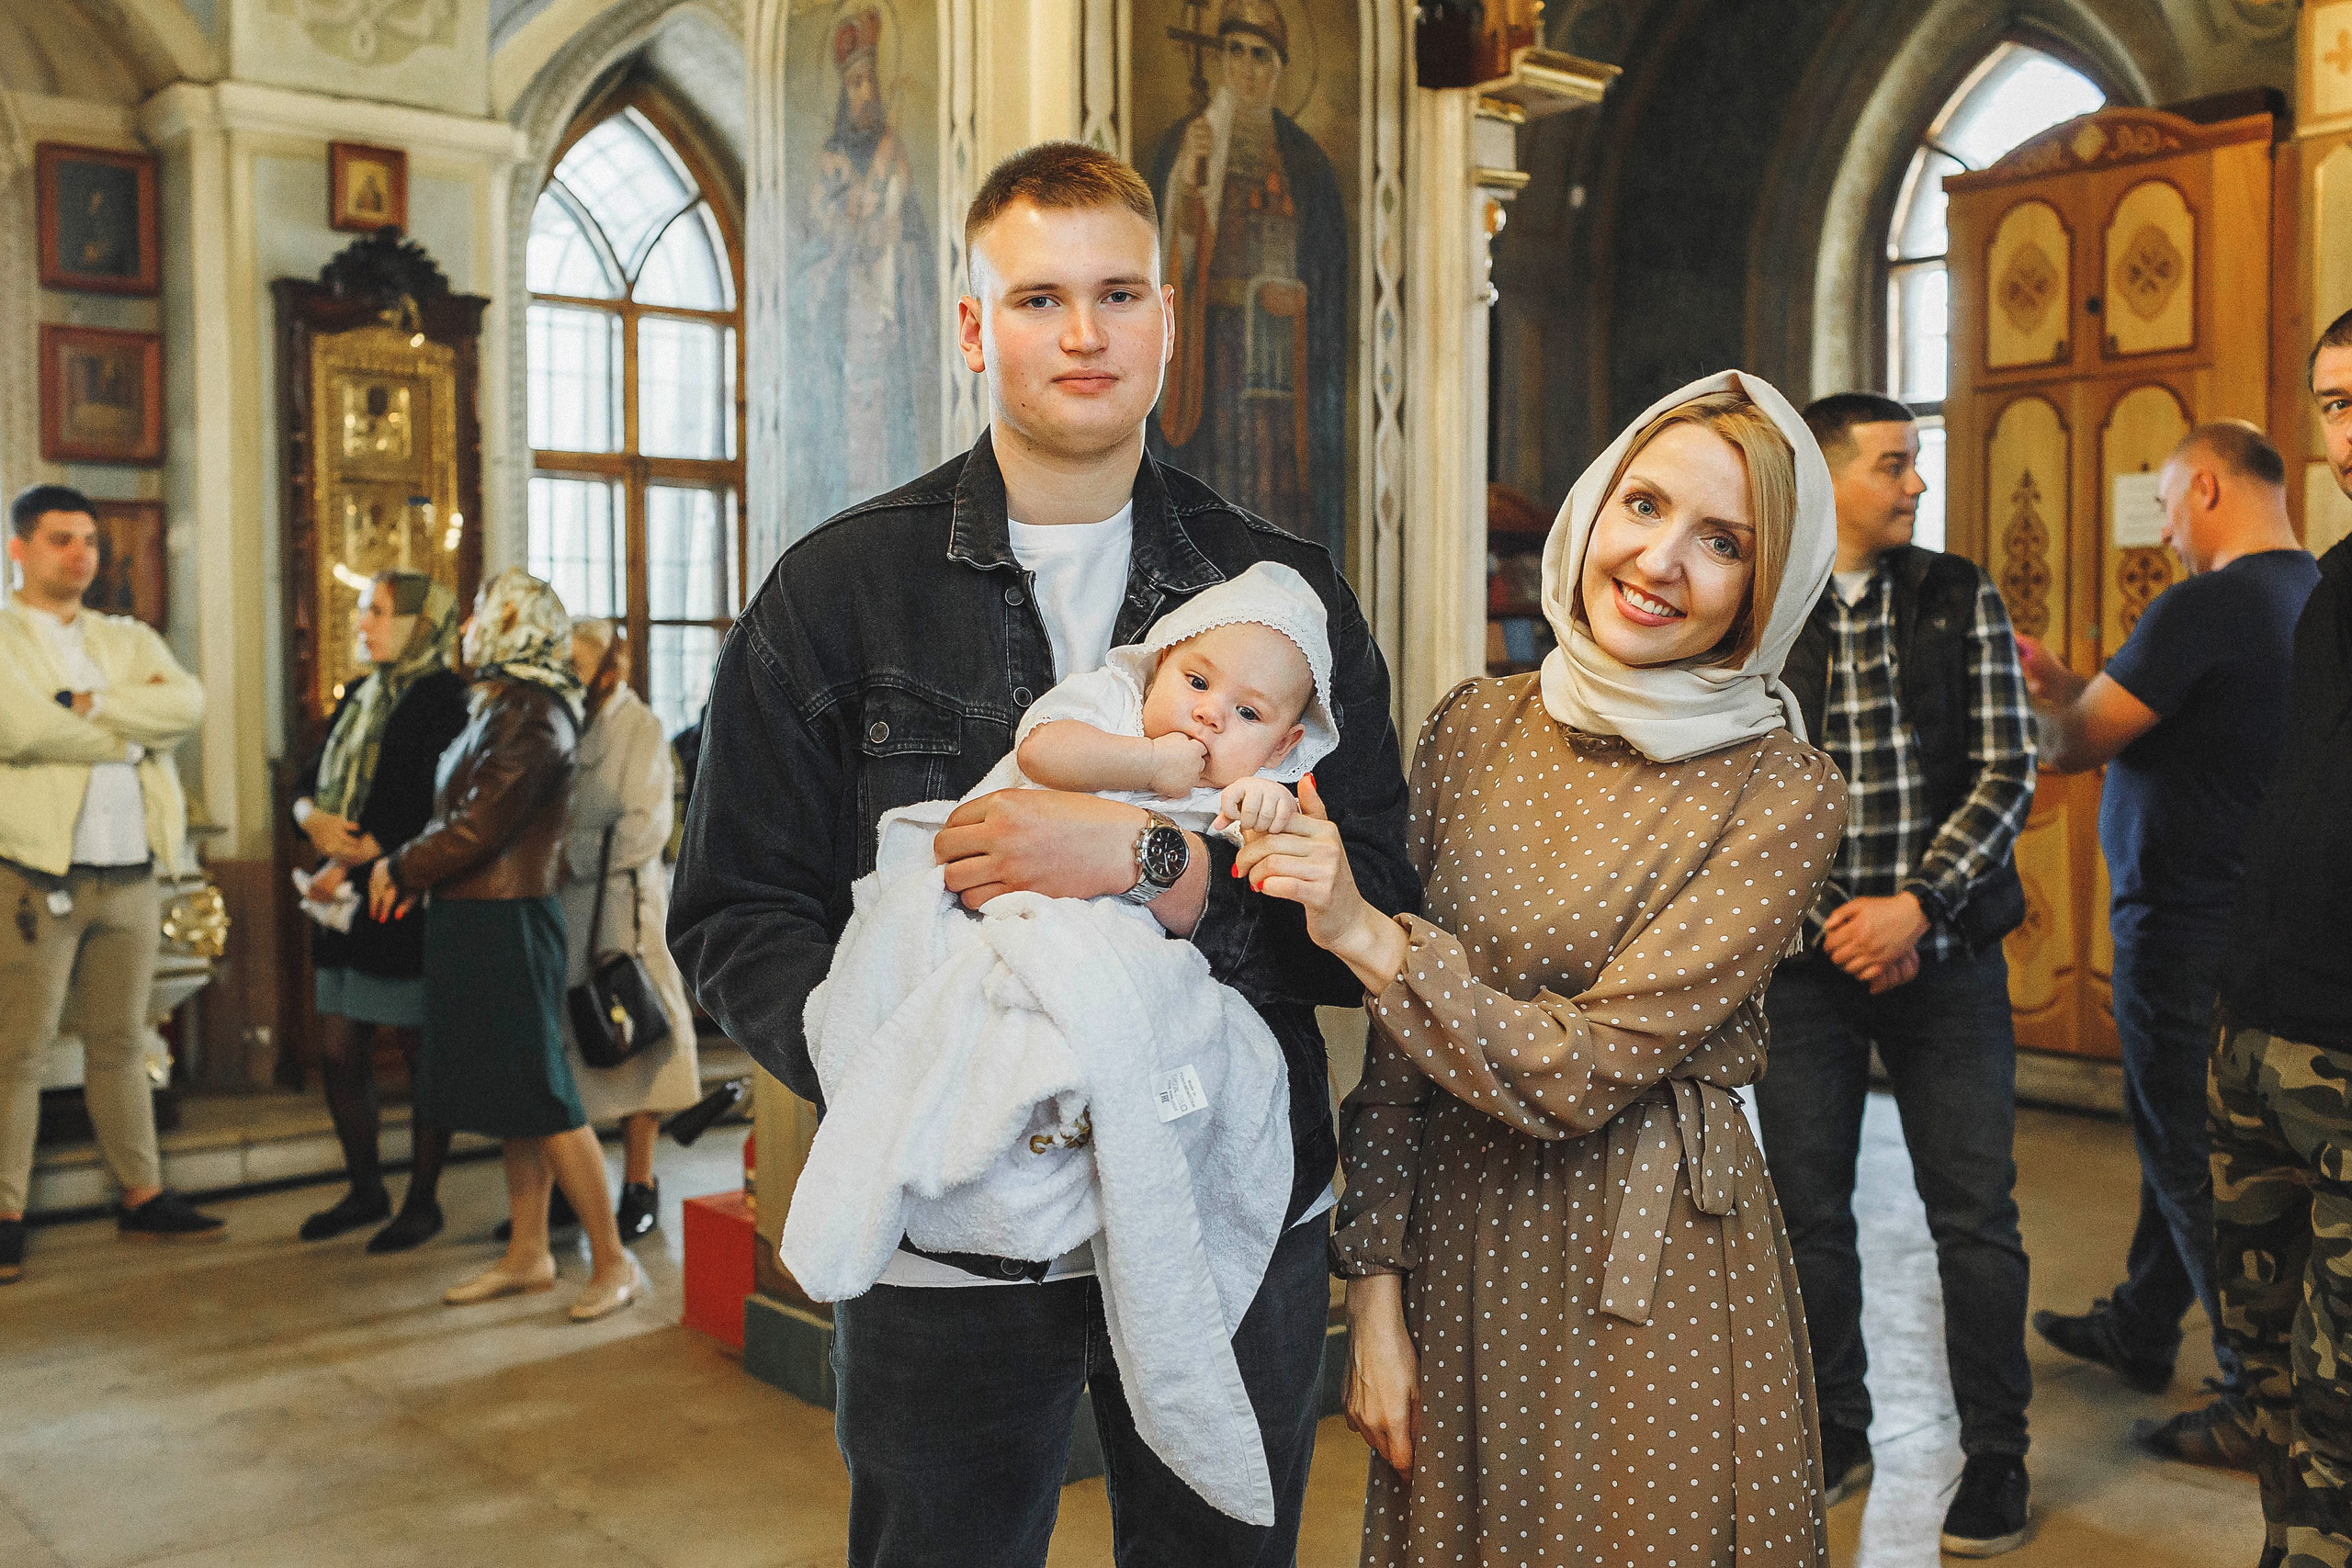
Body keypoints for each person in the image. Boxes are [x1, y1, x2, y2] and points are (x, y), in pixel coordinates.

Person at [671, 141, 1416, 1566]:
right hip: (946, 1228)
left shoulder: (1281, 593)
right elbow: (731, 907)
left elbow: (1386, 885)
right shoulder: (839, 587)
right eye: (1038, 298)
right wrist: (910, 1078)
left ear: (1168, 318)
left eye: (1119, 292)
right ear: (972, 326)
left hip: (1220, 1192)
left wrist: (1159, 865)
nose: (1085, 334)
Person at [1248, 374, 1841, 1565]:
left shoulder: (1781, 790)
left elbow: (1585, 1068)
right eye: (1645, 503)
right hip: (1459, 1242)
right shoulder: (1477, 724)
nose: (1661, 557)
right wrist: (1372, 1289)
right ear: (1592, 509)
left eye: (1722, 540)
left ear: (1767, 588)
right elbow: (1405, 1060)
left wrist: (1368, 931)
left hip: (1651, 1254)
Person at [782, 564, 1340, 1527]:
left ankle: (1092, 1097)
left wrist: (1260, 806)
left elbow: (1319, 904)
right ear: (1160, 662)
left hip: (1132, 964)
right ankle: (929, 1130)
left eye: (1244, 712)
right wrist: (1153, 777)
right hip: (995, 902)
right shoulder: (1116, 705)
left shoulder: (1262, 781)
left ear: (1286, 740)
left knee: (1191, 1027)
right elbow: (1044, 751)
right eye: (1196, 682)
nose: (1206, 719)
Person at [1756, 392, 2040, 1556]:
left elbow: (2008, 766)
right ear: (1826, 480)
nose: (1915, 485)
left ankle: (1998, 1459)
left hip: (1951, 949)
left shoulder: (1955, 591)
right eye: (1892, 464)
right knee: (1808, 1213)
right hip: (1811, 963)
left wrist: (1916, 906)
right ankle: (1836, 1430)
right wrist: (1839, 922)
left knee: (1973, 1215)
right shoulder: (1768, 608)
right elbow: (1752, 785)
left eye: (1913, 463)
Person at [2018, 423, 2315, 1467]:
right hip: (2261, 920)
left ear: (2200, 489)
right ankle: (2141, 1328)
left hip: (2179, 923)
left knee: (2189, 1155)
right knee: (2180, 1131)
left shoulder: (2204, 605)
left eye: (2162, 503)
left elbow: (2072, 747)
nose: (2162, 525)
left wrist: (2039, 698)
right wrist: (2071, 680)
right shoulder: (2310, 594)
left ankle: (2252, 1395)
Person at [372, 569, 644, 1323]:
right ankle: (530, 1251)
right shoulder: (502, 703)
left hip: (508, 917)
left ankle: (614, 1261)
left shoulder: (535, 714)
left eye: (484, 613)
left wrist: (400, 865)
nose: (468, 627)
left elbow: (481, 823)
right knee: (515, 1096)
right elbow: (457, 811)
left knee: (544, 1091)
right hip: (473, 913)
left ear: (518, 625)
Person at [2209, 309, 2352, 1568]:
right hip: (2259, 1030)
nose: (2348, 431)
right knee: (2263, 1360)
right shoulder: (2335, 582)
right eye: (2334, 402)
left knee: (2346, 1386)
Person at [0, 484, 220, 1284]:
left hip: (131, 870)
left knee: (124, 1045)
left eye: (89, 540)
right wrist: (126, 738)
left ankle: (142, 1195)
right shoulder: (3, 637)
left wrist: (90, 704)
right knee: (16, 1054)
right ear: (19, 547)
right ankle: (6, 1214)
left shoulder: (127, 637)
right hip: (34, 874)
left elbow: (188, 705)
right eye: (61, 539)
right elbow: (16, 728)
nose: (81, 554)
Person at [289, 570, 470, 1252]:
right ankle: (366, 1188)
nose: (362, 623)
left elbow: (443, 799)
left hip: (403, 896)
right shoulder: (362, 694)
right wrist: (312, 820)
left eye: (377, 611)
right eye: (364, 610)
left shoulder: (446, 698)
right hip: (339, 901)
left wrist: (376, 849)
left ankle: (423, 1201)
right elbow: (308, 780)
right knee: (338, 1050)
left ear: (421, 624)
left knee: (422, 1056)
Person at [556, 618, 698, 1243]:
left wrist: (572, 853)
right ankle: (572, 1184)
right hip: (567, 909)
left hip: (623, 910)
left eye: (576, 665)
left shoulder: (639, 727)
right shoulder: (567, 724)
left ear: (608, 668)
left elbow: (645, 825)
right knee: (573, 1044)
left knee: (633, 1038)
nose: (568, 677)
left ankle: (640, 1182)